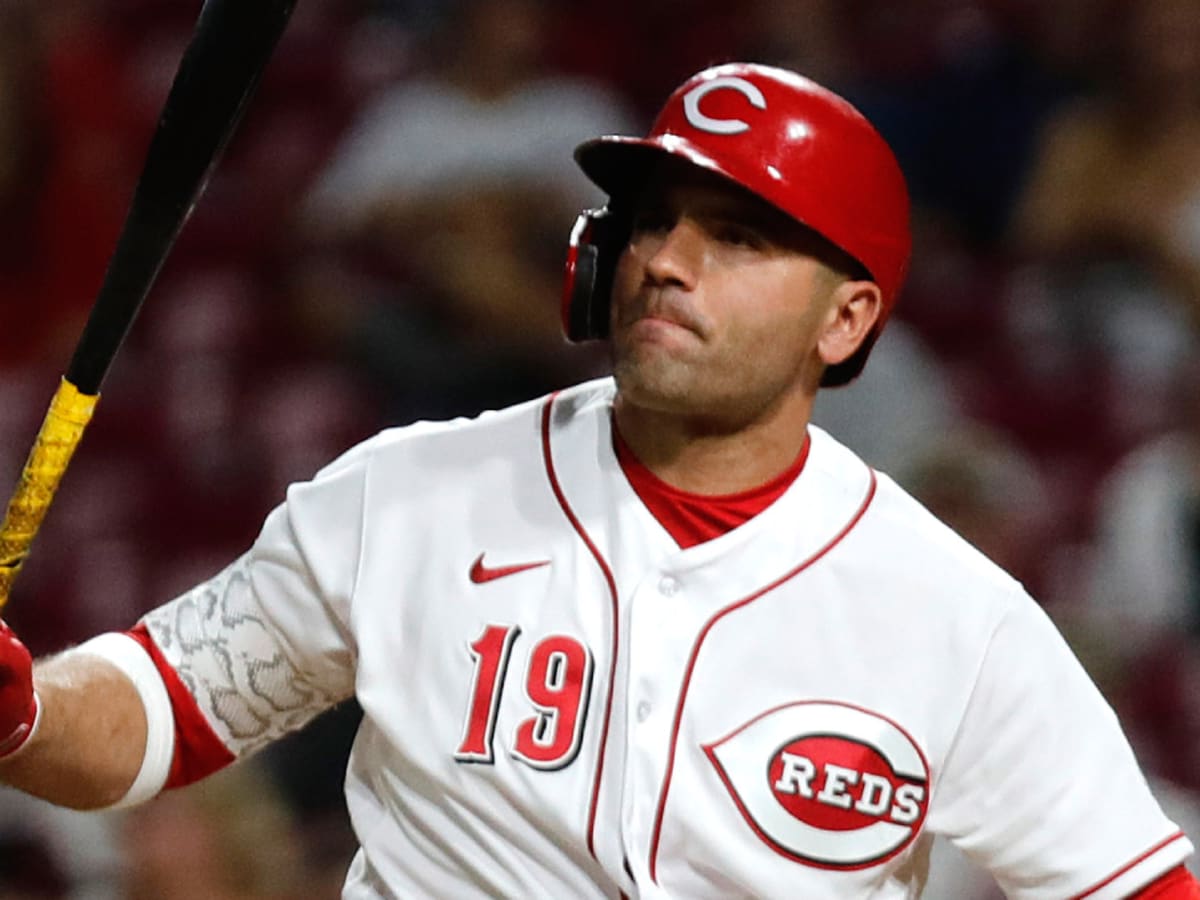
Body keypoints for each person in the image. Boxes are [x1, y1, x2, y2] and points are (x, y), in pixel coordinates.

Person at [0, 61, 1196, 898]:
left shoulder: (952, 614)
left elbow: (1135, 879)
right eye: (655, 220)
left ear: (848, 321)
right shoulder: (407, 497)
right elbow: (154, 719)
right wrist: (23, 710)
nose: (670, 260)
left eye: (737, 236)